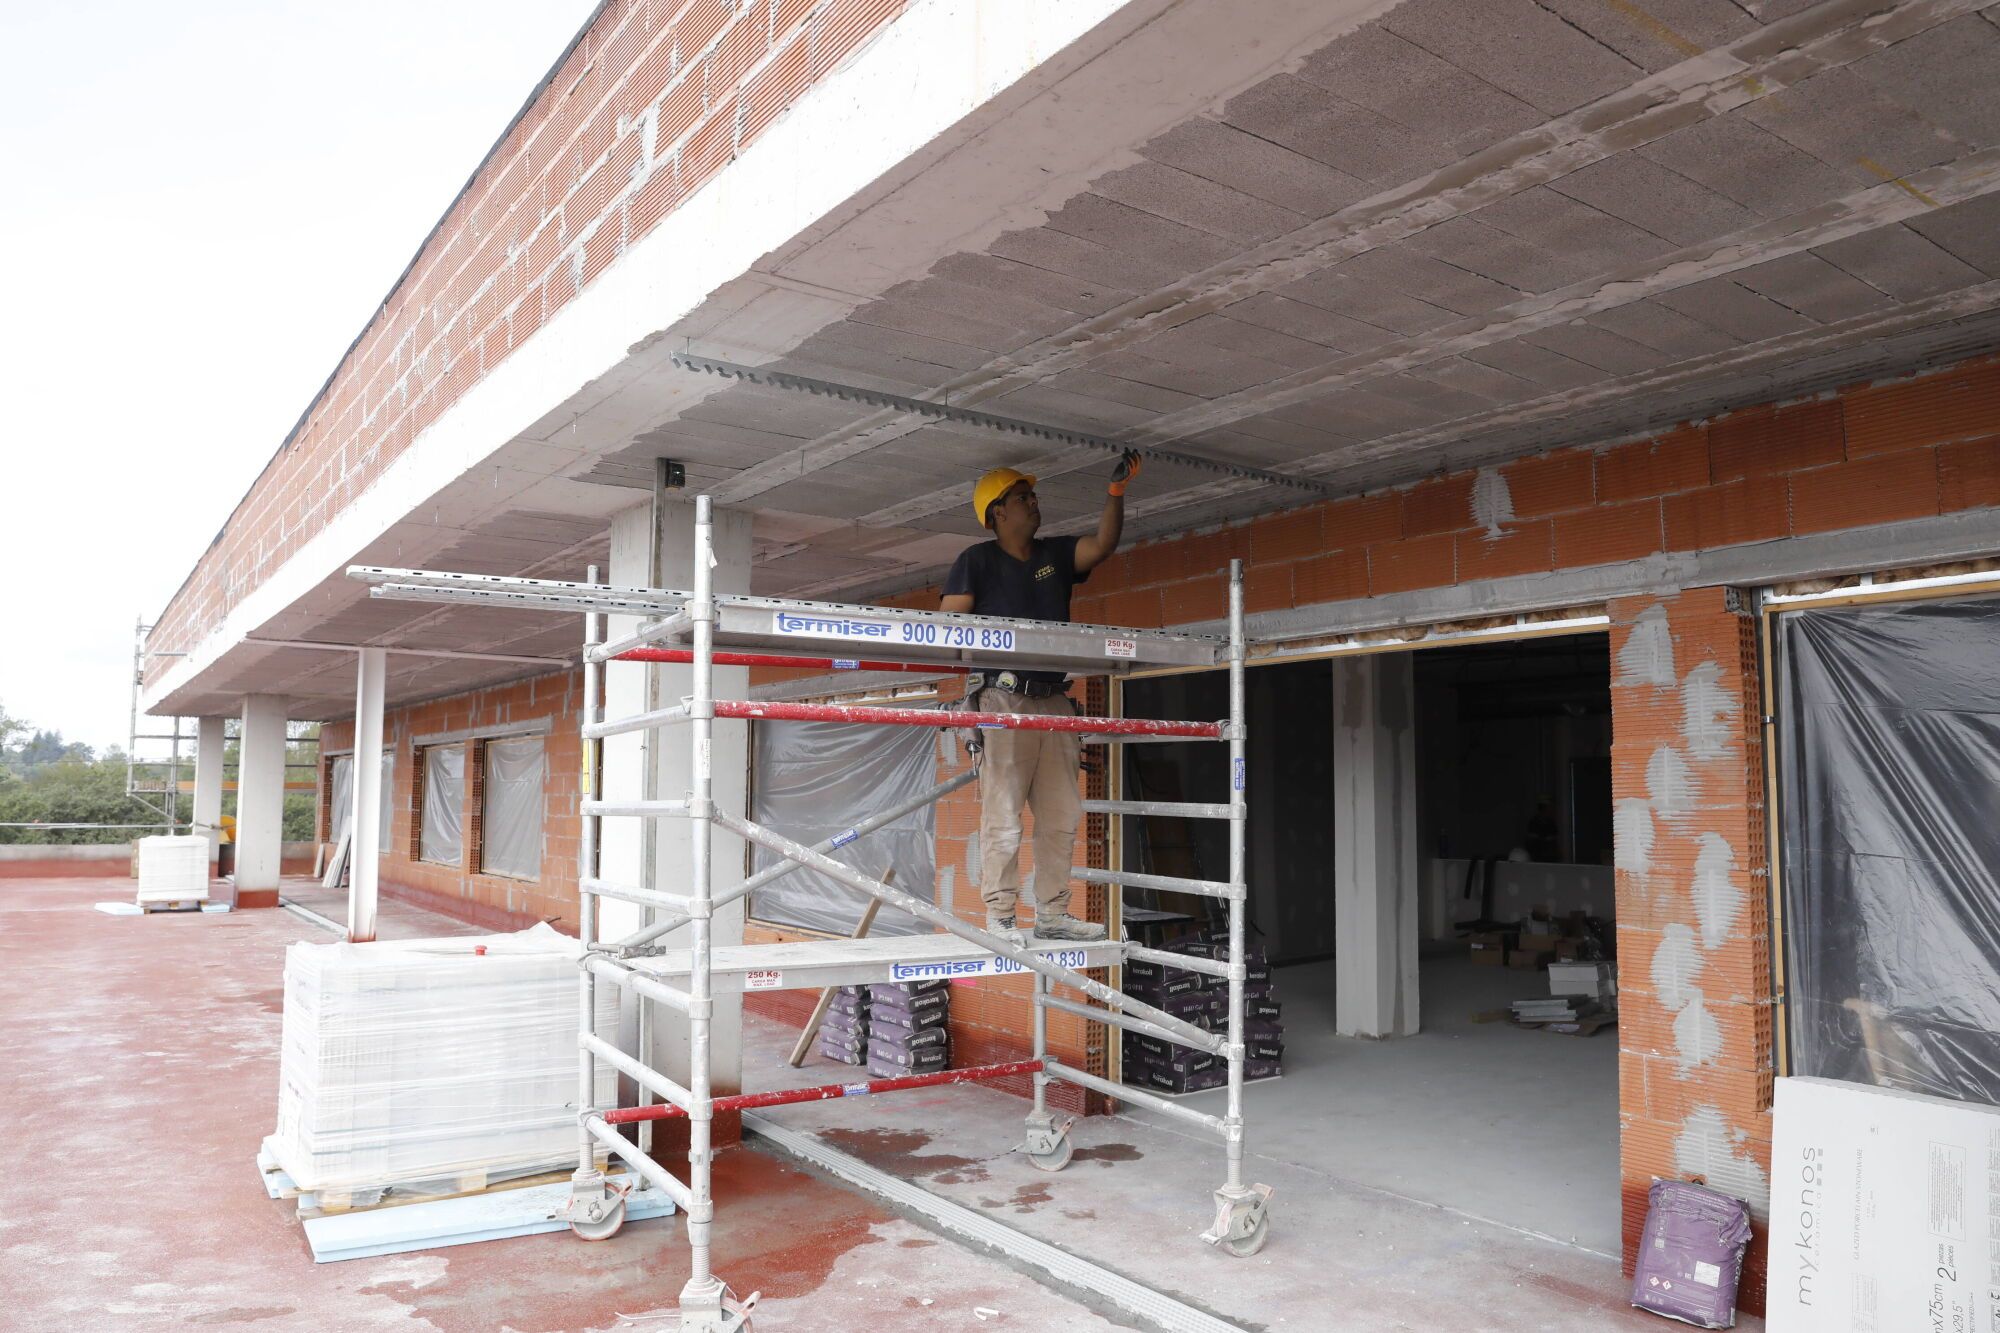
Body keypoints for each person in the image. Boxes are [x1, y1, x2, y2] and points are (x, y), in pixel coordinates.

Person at [940, 452, 1141, 942]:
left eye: (1033, 495)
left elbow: (1102, 546)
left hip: (1053, 700)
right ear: (997, 513)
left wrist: (1114, 494)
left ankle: (1052, 914)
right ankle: (1002, 916)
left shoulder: (1054, 556)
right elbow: (946, 627)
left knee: (1060, 817)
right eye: (1022, 497)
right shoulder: (977, 561)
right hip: (1004, 699)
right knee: (1003, 816)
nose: (1034, 502)